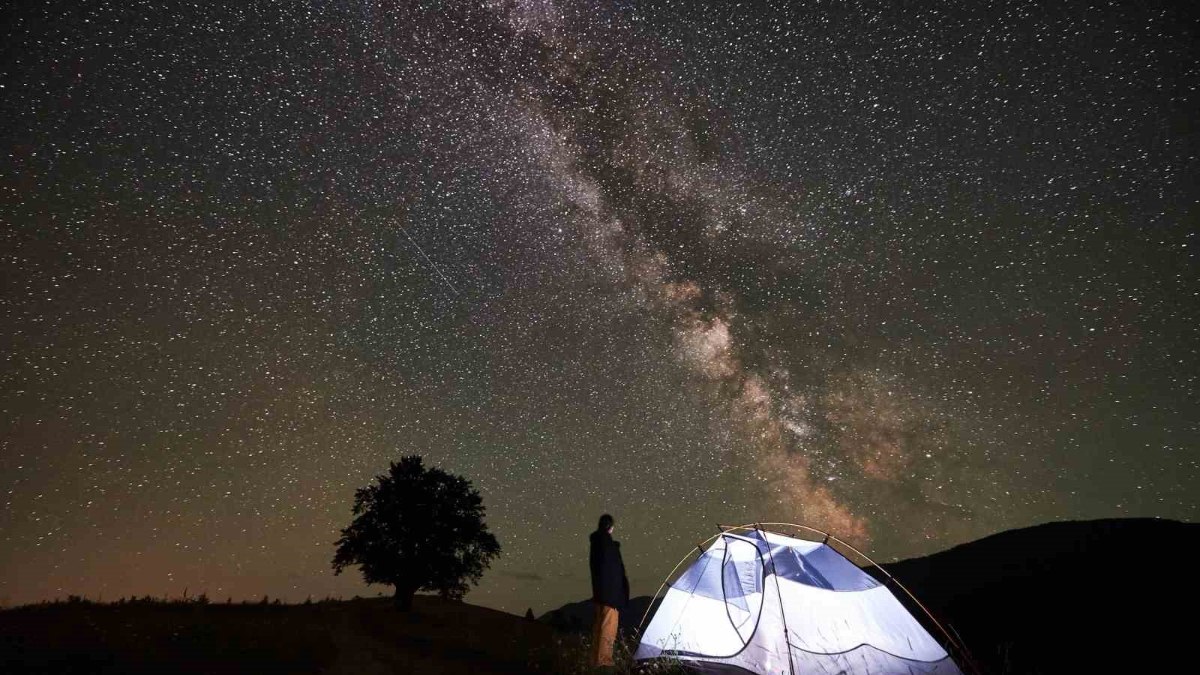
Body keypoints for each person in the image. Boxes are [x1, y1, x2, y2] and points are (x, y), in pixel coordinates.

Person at [589, 513, 629, 670]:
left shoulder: (597, 544)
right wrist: (619, 595)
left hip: (601, 594)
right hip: (610, 596)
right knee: (607, 629)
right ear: (610, 528)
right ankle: (603, 661)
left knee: (599, 627)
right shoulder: (608, 546)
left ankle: (595, 659)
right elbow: (614, 572)